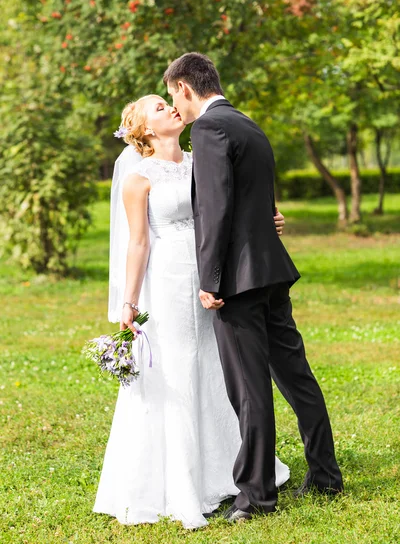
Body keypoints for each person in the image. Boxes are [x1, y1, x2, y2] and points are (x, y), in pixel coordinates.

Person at [93, 94, 289, 529]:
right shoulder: (138, 179)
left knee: (217, 368)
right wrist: (128, 304)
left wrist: (266, 221)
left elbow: (228, 208)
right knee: (179, 370)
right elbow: (138, 243)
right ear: (143, 130)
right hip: (167, 282)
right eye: (159, 108)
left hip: (212, 276)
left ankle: (227, 471)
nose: (171, 108)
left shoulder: (203, 157)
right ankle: (183, 482)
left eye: (169, 102)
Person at [164, 52, 344, 523]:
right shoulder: (246, 123)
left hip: (239, 282)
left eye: (173, 98)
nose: (176, 110)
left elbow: (216, 208)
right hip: (271, 272)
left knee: (249, 391)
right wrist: (270, 221)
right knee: (297, 377)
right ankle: (325, 475)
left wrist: (210, 280)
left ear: (185, 87)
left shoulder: (207, 129)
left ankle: (257, 496)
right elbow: (257, 193)